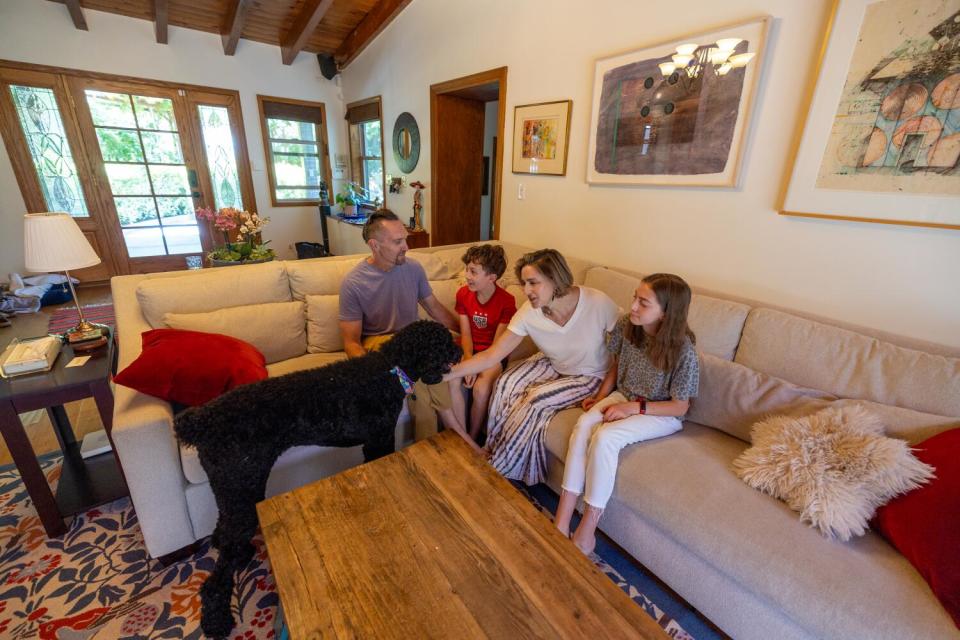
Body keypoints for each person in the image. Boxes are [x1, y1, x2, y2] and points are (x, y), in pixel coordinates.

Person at [444, 249, 619, 484]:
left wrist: (602, 395)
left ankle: (497, 470)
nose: (526, 291)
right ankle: (491, 448)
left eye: (533, 283)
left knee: (535, 401)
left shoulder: (598, 303)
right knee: (506, 382)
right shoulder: (529, 312)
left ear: (555, 278)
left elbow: (624, 352)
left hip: (590, 374)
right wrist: (446, 374)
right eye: (524, 283)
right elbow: (493, 354)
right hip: (553, 361)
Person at [554, 273, 699, 555]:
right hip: (626, 395)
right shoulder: (628, 326)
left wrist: (632, 408)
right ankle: (561, 520)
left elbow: (680, 406)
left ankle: (587, 530)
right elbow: (616, 365)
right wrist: (601, 396)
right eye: (635, 297)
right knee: (584, 424)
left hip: (661, 413)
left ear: (666, 312)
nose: (633, 306)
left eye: (643, 303)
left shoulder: (684, 351)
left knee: (606, 437)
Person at [338, 208, 473, 448]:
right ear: (375, 245)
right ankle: (432, 453)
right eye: (398, 241)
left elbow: (434, 308)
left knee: (434, 380)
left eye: (406, 239)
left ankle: (443, 450)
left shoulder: (413, 269)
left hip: (413, 342)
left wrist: (467, 337)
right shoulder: (354, 283)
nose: (406, 247)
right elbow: (351, 341)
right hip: (381, 344)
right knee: (421, 396)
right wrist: (371, 372)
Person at [447, 244, 517, 444]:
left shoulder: (507, 301)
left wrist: (476, 366)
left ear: (492, 278)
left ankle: (473, 436)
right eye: (467, 269)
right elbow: (466, 334)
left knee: (480, 388)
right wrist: (468, 361)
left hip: (493, 354)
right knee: (453, 379)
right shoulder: (463, 294)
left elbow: (497, 347)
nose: (467, 275)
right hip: (469, 349)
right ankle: (460, 436)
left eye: (473, 272)